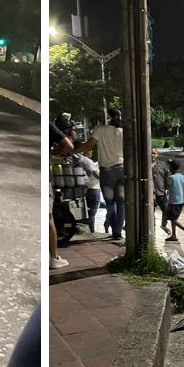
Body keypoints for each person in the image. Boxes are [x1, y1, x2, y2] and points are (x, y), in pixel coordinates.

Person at [75, 109, 126, 242]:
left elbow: (87, 147)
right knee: (121, 203)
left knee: (110, 203)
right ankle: (117, 232)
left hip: (107, 172)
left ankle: (113, 230)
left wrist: (72, 150)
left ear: (107, 117)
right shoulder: (123, 131)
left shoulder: (99, 129)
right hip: (122, 170)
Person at [49, 120, 75, 269]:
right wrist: (53, 152)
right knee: (48, 217)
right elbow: (69, 146)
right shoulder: (49, 126)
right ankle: (53, 257)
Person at [165, 159, 184, 242]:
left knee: (172, 219)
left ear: (171, 168)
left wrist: (166, 175)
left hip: (173, 201)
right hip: (180, 201)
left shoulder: (171, 177)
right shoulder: (181, 176)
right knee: (174, 219)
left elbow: (167, 187)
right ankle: (174, 235)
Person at [151, 147, 171, 235]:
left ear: (157, 154)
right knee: (150, 212)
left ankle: (163, 225)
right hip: (149, 193)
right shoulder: (144, 165)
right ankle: (152, 227)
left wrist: (167, 189)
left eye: (154, 153)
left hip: (160, 192)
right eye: (151, 153)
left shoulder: (162, 165)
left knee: (166, 209)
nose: (152, 155)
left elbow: (167, 177)